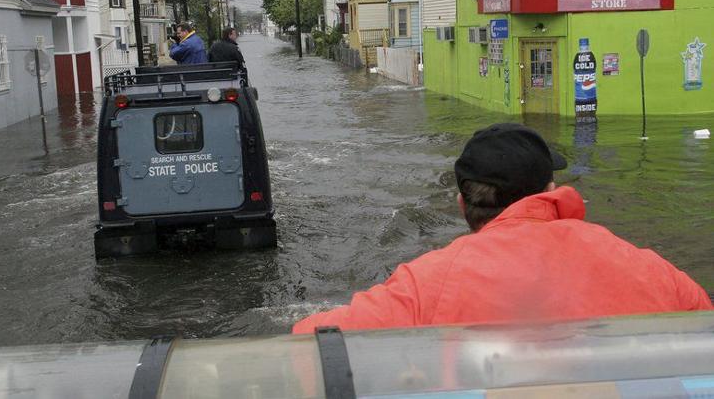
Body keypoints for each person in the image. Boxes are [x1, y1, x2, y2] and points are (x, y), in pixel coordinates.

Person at [292, 123, 712, 334]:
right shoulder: (646, 267)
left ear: (462, 206)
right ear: (551, 191)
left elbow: (309, 342)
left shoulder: (426, 285)